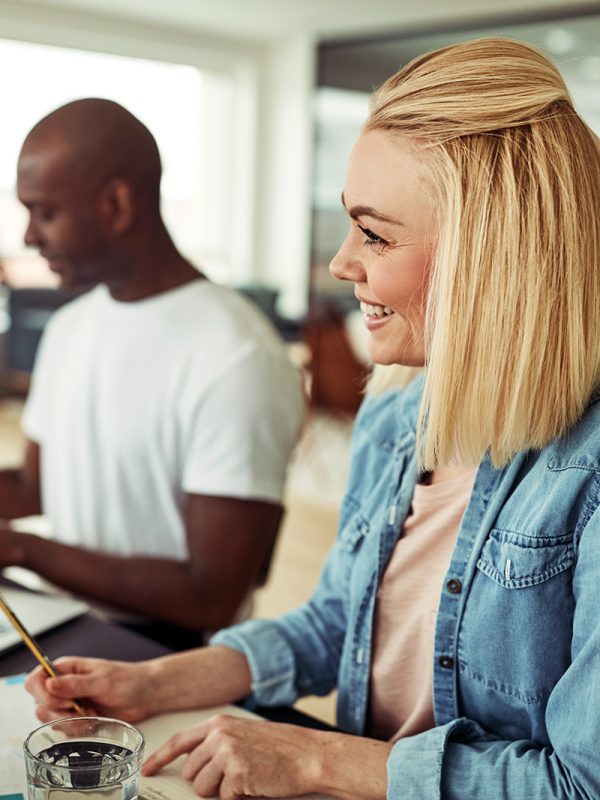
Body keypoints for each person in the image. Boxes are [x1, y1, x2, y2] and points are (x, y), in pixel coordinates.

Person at [26, 37, 600, 798]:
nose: (338, 263)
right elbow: (336, 621)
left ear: (489, 257)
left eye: (374, 233)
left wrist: (313, 757)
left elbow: (582, 784)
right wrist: (157, 683)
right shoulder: (399, 410)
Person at [0, 98, 304, 645]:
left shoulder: (237, 356)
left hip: (170, 655)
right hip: (63, 620)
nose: (28, 237)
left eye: (45, 213)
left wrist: (22, 549)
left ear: (117, 205)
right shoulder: (70, 327)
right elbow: (34, 486)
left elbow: (211, 593)